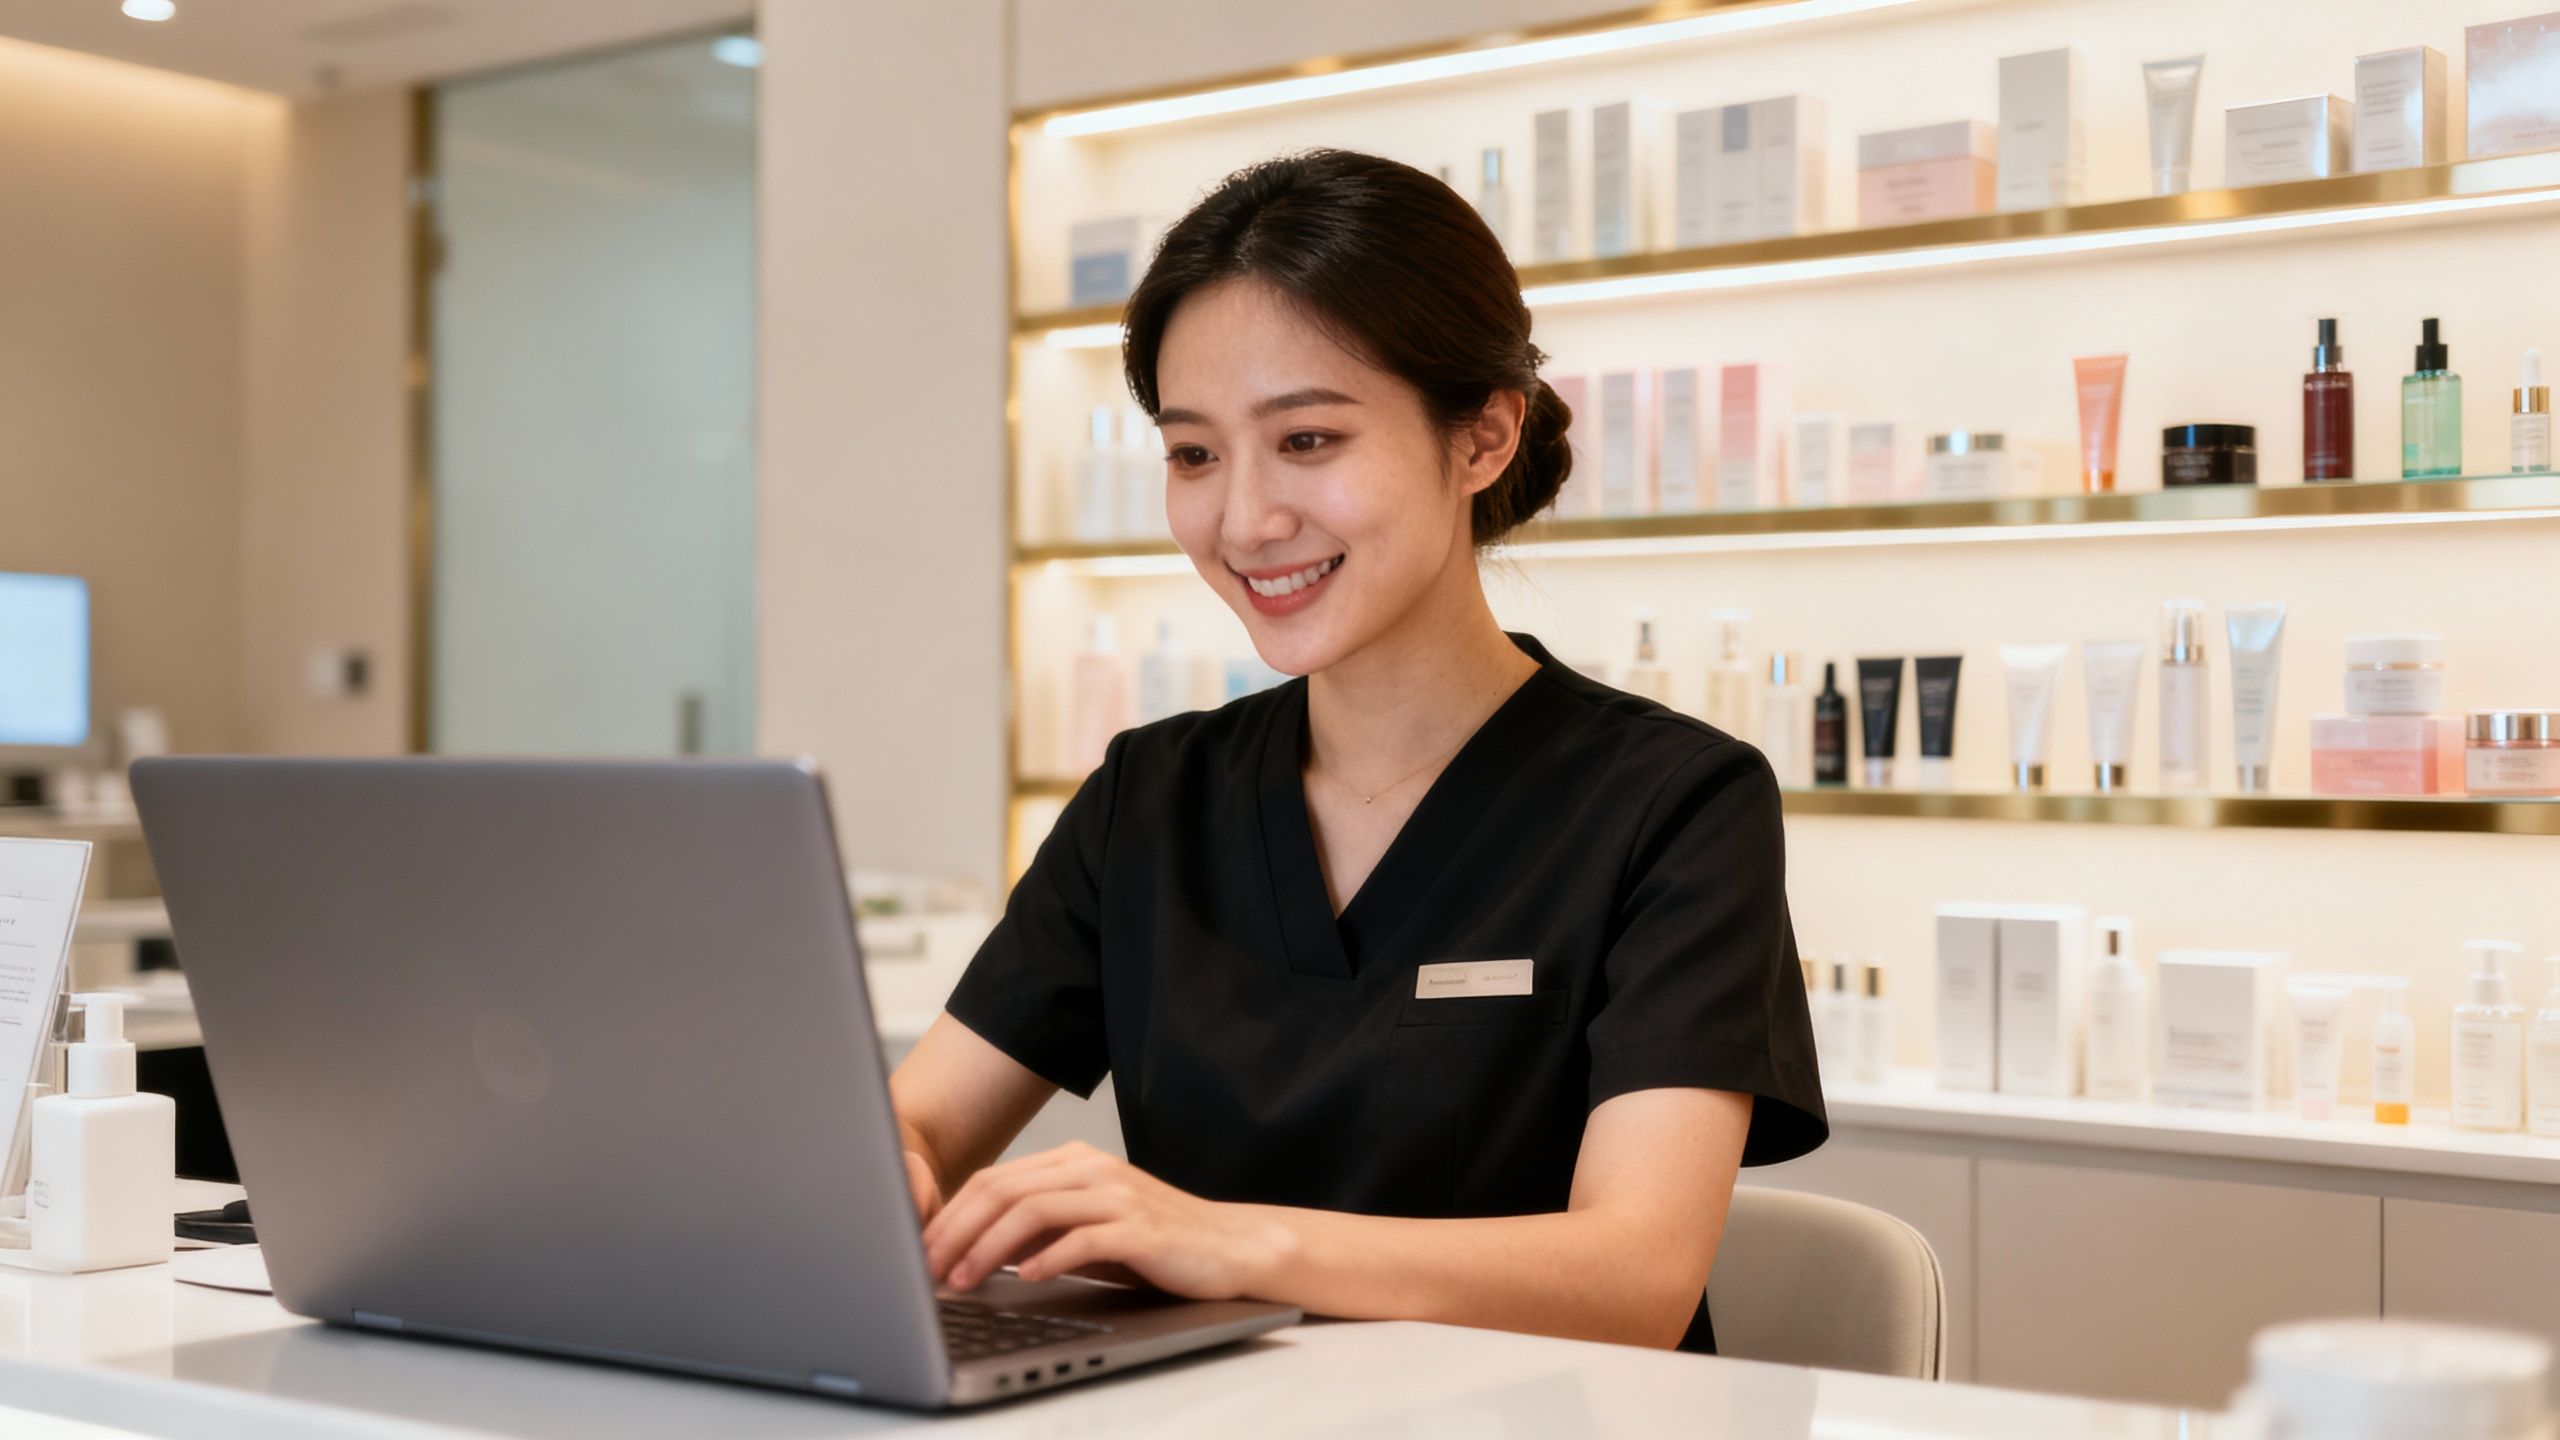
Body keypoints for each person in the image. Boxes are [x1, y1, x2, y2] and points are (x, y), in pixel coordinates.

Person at [890, 148, 1823, 1353]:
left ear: (1483, 437)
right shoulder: (1150, 798)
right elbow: (914, 1126)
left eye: (1310, 440)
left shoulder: (1672, 803)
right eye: (1193, 453)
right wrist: (884, 1180)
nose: (1243, 519)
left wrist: (1236, 1243)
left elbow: (1633, 1275)